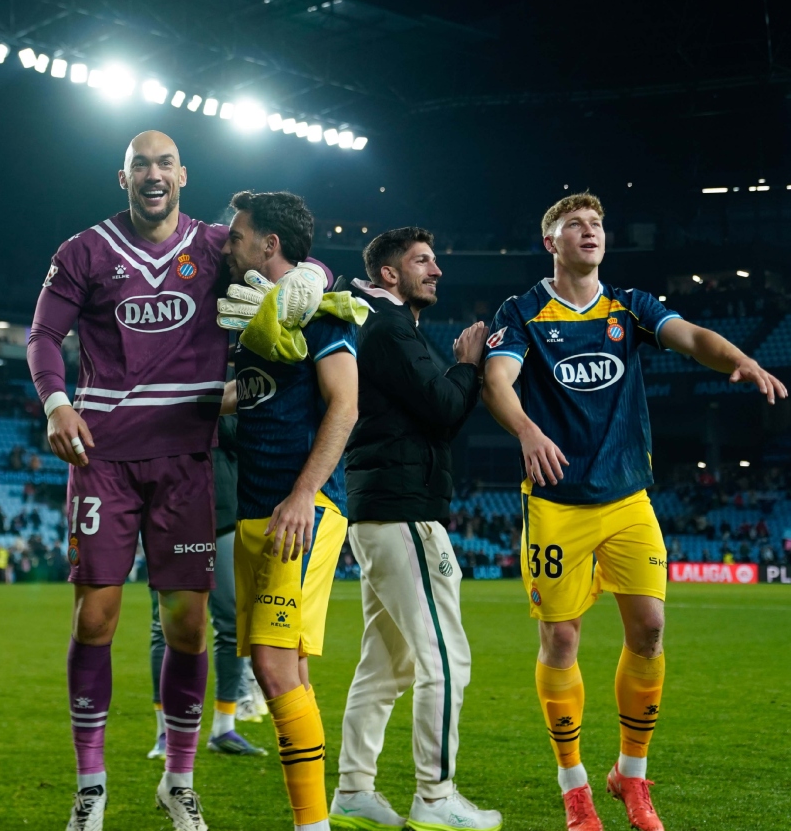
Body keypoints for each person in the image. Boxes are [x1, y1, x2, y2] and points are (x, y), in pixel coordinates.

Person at [27, 131, 326, 831]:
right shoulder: (84, 250)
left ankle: (179, 779)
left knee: (189, 625)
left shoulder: (219, 245)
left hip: (188, 462)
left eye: (164, 163)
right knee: (95, 615)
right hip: (103, 457)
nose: (153, 174)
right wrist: (55, 400)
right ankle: (91, 784)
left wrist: (312, 278)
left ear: (183, 175)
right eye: (141, 164)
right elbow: (43, 336)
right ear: (122, 176)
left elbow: (291, 256)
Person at [480, 193, 785, 831]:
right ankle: (575, 788)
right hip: (558, 504)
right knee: (561, 639)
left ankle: (632, 777)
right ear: (551, 242)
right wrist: (529, 433)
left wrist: (740, 358)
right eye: (575, 225)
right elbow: (498, 381)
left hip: (627, 498)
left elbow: (693, 337)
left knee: (648, 629)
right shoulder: (525, 311)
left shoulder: (631, 306)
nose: (590, 232)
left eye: (596, 225)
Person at [329, 227, 500, 831]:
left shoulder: (387, 328)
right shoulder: (390, 329)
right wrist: (467, 367)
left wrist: (454, 371)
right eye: (423, 261)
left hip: (382, 509)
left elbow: (431, 409)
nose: (437, 270)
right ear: (390, 275)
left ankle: (353, 793)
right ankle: (435, 797)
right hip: (403, 513)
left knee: (387, 666)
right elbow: (445, 408)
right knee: (446, 658)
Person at [219, 190, 357, 831]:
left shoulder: (323, 317)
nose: (228, 244)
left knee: (272, 669)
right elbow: (245, 399)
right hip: (255, 510)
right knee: (289, 667)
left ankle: (312, 825)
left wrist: (303, 494)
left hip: (301, 509)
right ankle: (313, 817)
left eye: (238, 235)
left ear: (270, 245)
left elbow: (345, 406)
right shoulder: (253, 324)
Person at [148, 411, 269, 762]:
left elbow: (245, 440)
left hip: (225, 514)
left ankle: (224, 726)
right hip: (171, 515)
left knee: (231, 622)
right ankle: (164, 731)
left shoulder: (229, 384)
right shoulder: (161, 376)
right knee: (164, 628)